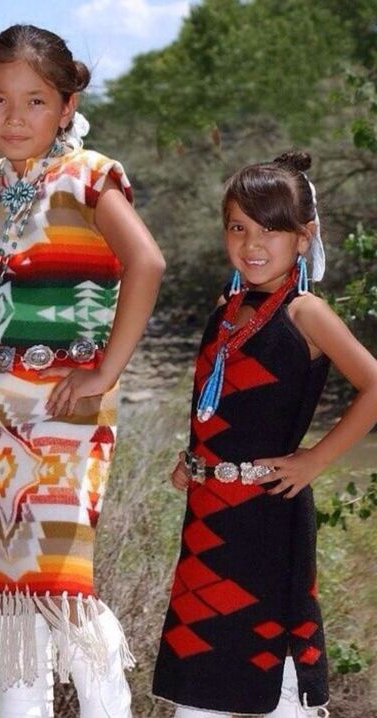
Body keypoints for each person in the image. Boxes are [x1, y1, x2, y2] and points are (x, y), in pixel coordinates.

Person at [0, 24, 165, 718]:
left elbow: (146, 264)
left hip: (67, 411)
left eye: (35, 102)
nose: (14, 117)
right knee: (10, 587)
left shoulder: (88, 177)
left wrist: (104, 371)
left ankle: (107, 707)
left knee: (61, 582)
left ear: (66, 107)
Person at [152, 151, 377, 718]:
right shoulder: (223, 311)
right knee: (200, 680)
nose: (253, 244)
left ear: (305, 237)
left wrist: (316, 460)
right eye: (238, 227)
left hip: (268, 519)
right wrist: (196, 458)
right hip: (208, 519)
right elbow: (221, 404)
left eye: (272, 229)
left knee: (269, 675)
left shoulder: (307, 314)